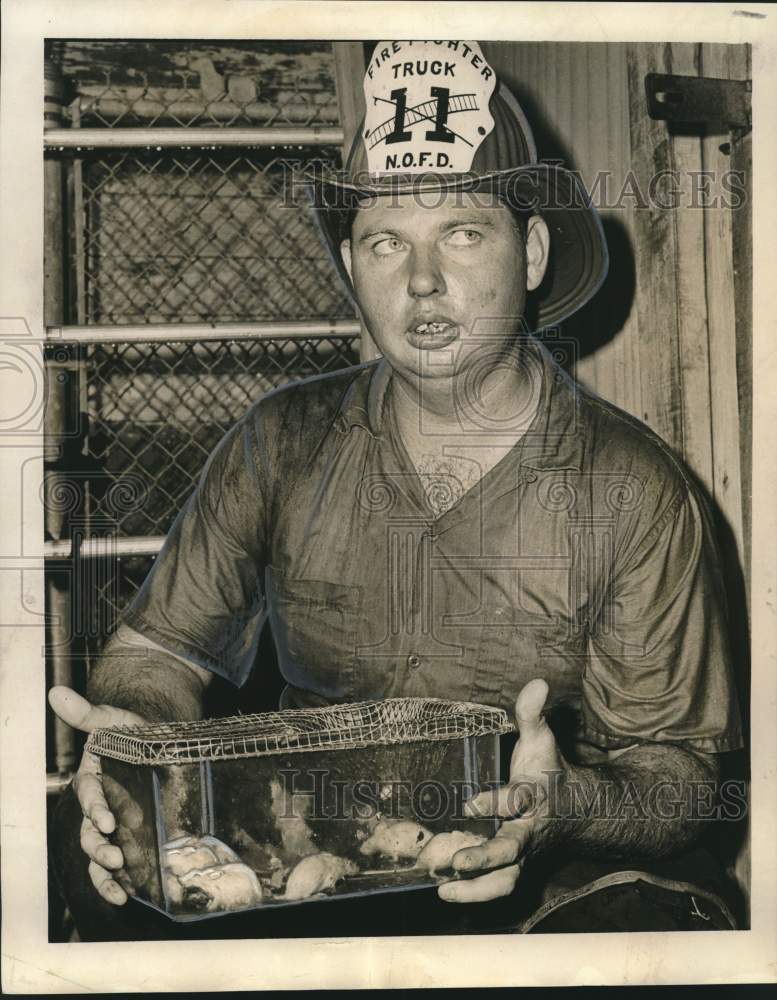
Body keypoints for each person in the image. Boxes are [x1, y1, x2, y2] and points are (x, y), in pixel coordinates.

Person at [49, 40, 743, 938]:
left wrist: (557, 801)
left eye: (461, 232)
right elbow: (161, 653)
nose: (422, 281)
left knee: (645, 923)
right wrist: (138, 739)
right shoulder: (280, 438)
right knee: (91, 837)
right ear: (352, 264)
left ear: (529, 253)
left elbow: (679, 778)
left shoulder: (632, 490)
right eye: (385, 242)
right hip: (307, 842)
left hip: (538, 865)